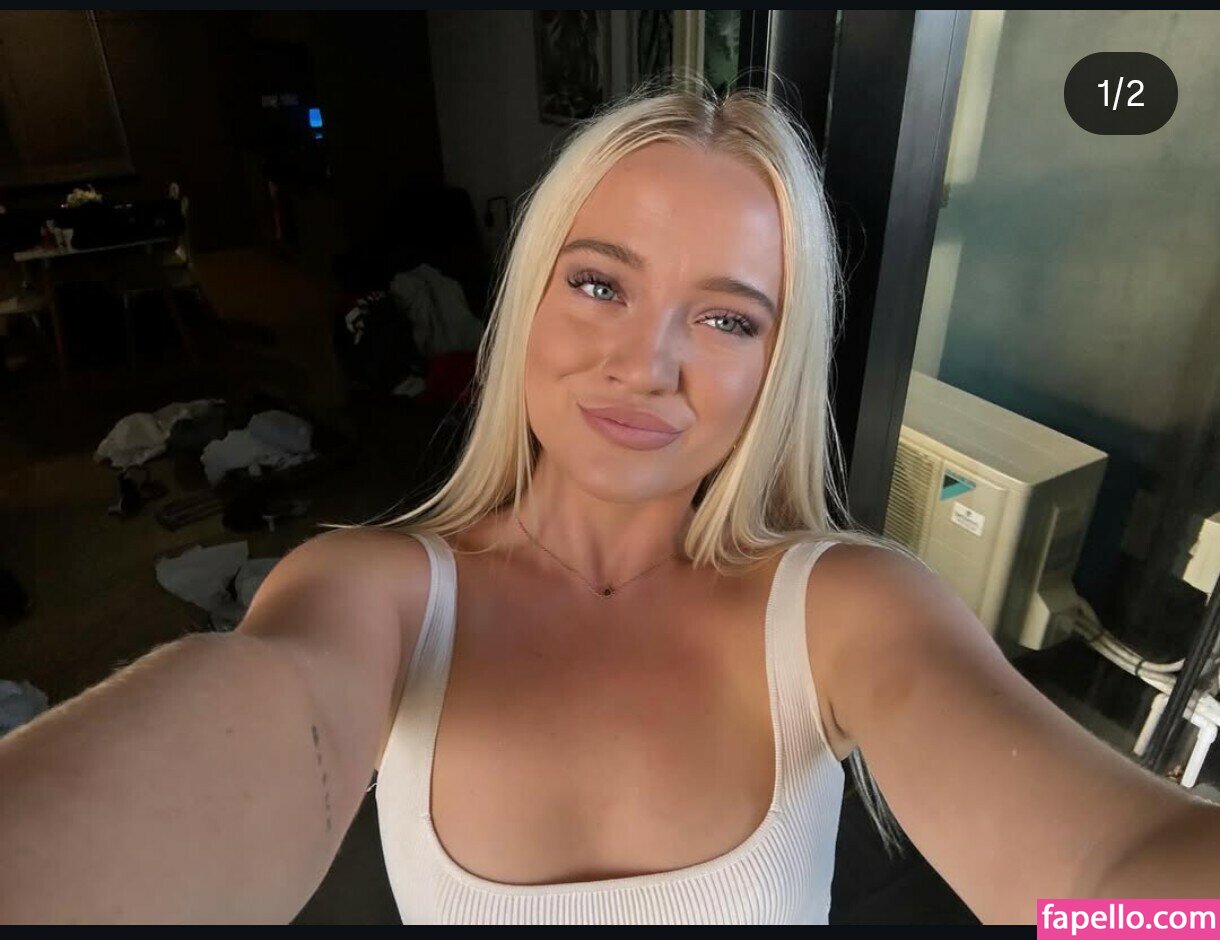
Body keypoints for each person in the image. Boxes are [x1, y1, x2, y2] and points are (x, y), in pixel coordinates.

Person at [2, 74, 1218, 926]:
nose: (646, 363)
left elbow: (1095, 878)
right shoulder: (371, 591)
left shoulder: (842, 608)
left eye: (726, 317)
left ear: (776, 365)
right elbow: (245, 737)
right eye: (598, 285)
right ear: (528, 300)